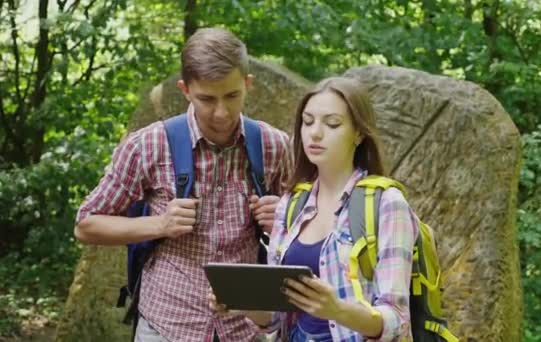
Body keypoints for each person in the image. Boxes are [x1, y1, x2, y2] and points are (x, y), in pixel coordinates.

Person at [74, 27, 291, 342]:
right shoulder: (149, 144)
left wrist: (283, 219)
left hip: (244, 328)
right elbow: (85, 225)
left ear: (248, 84)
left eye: (232, 96)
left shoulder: (274, 145)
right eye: (207, 98)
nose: (221, 112)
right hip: (166, 324)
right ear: (185, 89)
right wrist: (160, 224)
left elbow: (308, 235)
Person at [211, 77, 417, 341]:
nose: (315, 133)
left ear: (359, 133)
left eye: (332, 124)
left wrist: (338, 311)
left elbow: (397, 320)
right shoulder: (291, 203)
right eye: (307, 122)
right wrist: (242, 304)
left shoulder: (387, 204)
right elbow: (277, 318)